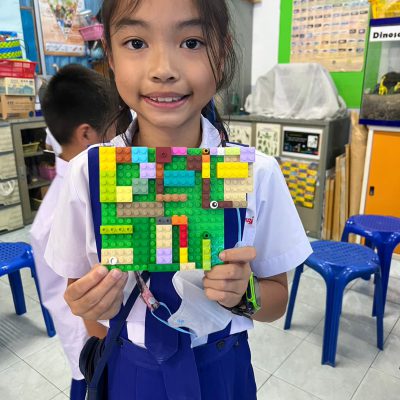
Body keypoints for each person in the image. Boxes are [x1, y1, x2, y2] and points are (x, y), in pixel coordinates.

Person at [44, 1, 312, 399]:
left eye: (191, 42)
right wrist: (90, 303)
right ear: (111, 58)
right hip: (131, 371)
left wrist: (246, 293)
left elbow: (276, 300)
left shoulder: (256, 173)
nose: (163, 69)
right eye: (136, 42)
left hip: (222, 372)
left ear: (222, 52)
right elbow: (77, 289)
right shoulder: (89, 172)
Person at [30, 64, 119, 400]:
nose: (120, 139)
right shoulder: (66, 209)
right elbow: (88, 303)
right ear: (86, 135)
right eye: (115, 129)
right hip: (96, 350)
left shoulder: (79, 185)